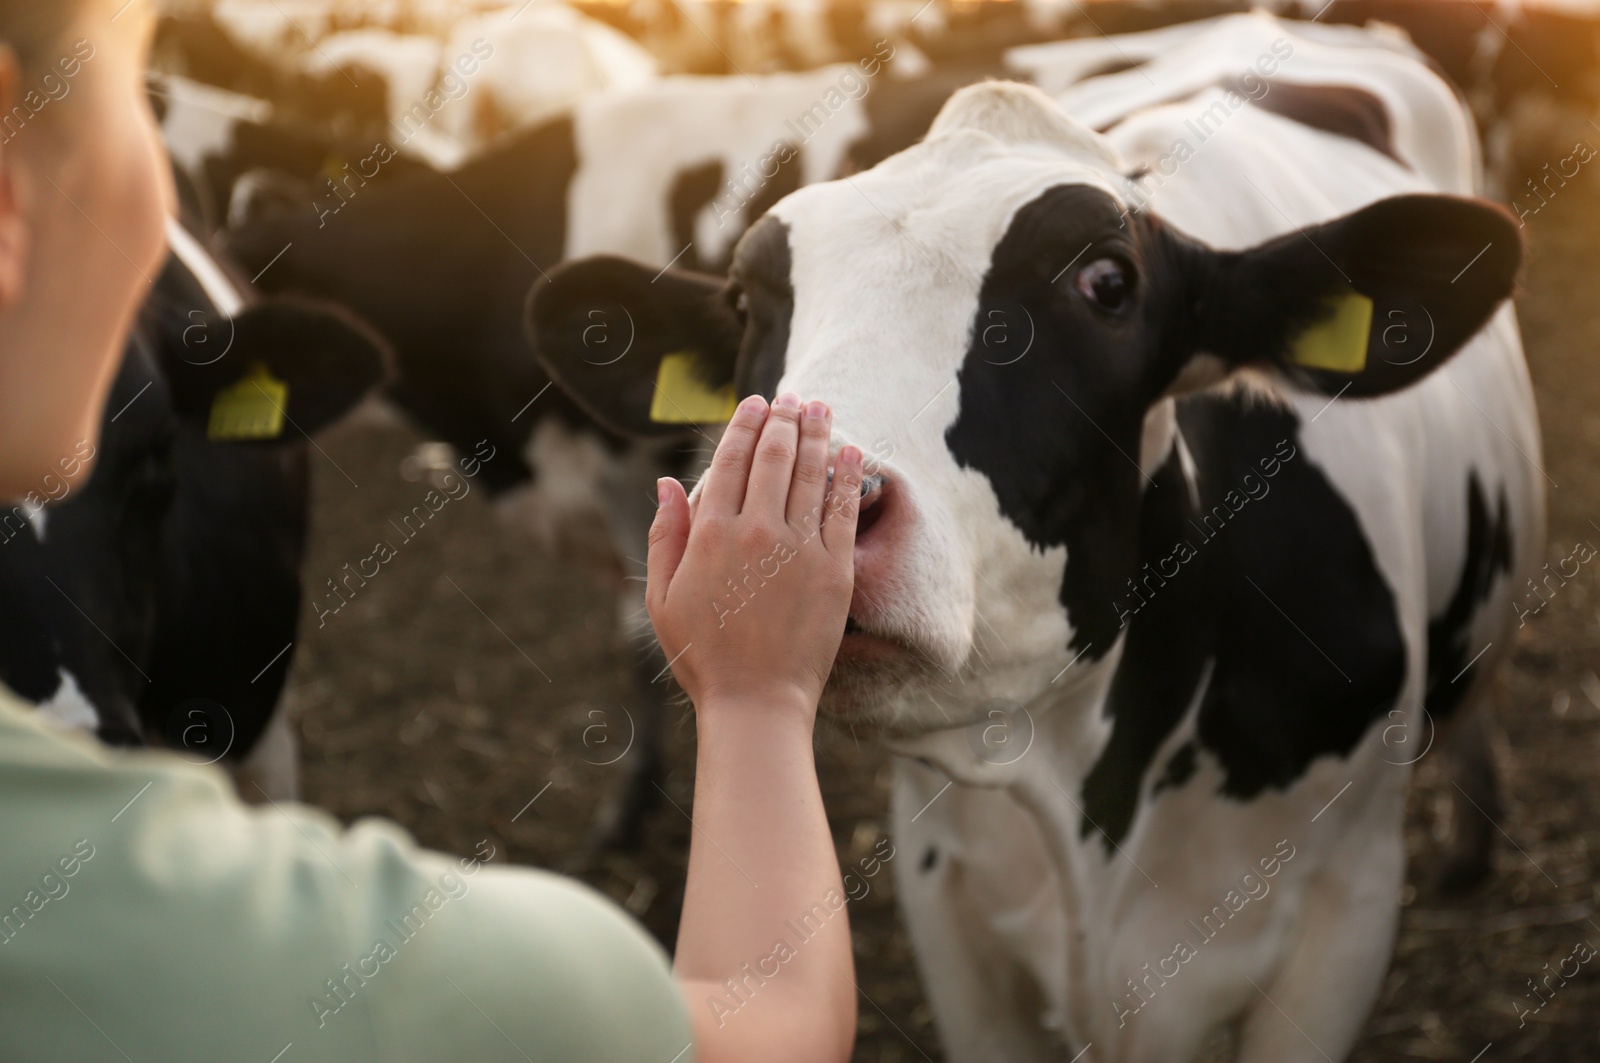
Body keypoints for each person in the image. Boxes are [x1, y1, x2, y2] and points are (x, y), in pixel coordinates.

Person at [0, 2, 864, 1061]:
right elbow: (765, 1030)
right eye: (132, 100)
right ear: (9, 183)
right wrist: (757, 697)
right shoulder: (175, 938)